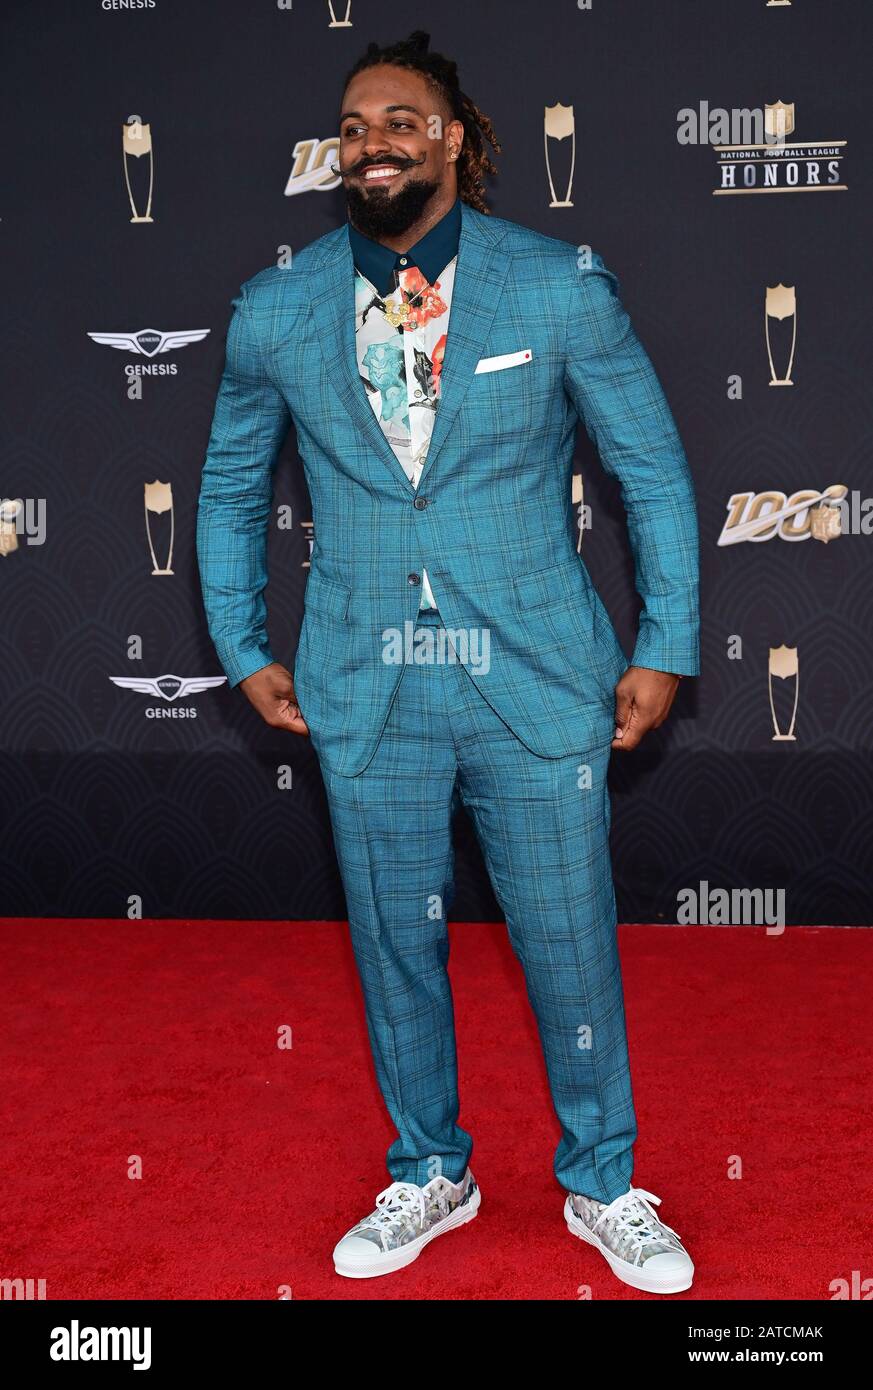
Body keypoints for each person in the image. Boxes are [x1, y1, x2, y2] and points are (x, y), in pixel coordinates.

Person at [196, 29, 700, 1295]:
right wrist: (243, 641)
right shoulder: (276, 309)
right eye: (358, 123)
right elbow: (225, 486)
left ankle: (603, 1180)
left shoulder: (559, 287)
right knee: (394, 942)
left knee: (566, 940)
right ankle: (431, 1167)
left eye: (404, 120)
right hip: (367, 687)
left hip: (534, 677)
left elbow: (649, 472)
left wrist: (668, 642)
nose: (376, 140)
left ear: (456, 140)